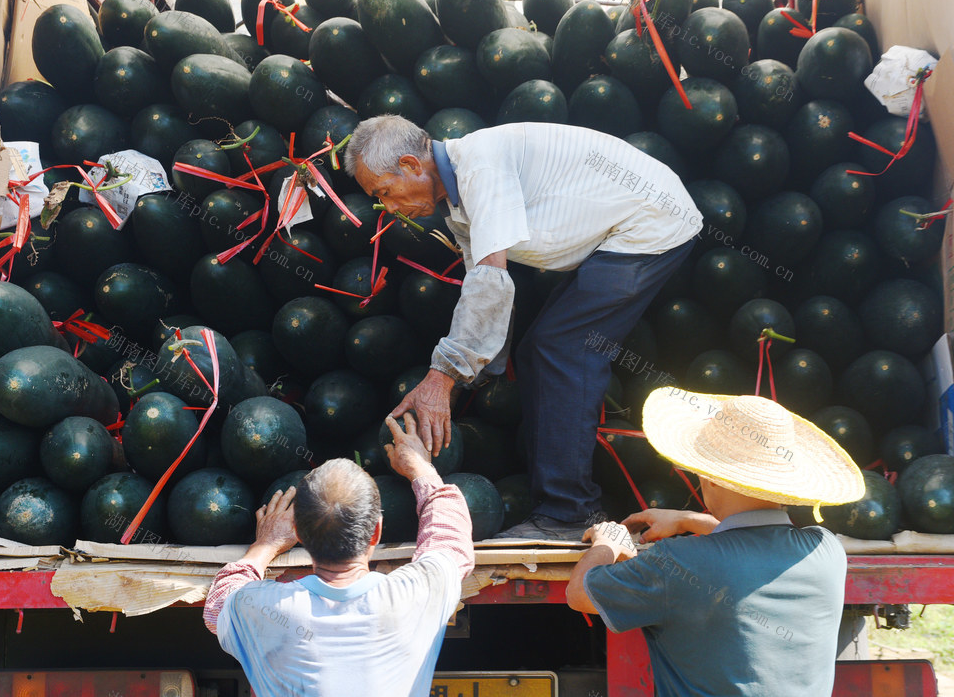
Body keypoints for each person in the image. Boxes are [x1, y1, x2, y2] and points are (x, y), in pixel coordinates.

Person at [344, 116, 702, 540]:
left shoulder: (480, 166)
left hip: (651, 221)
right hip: (619, 230)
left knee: (564, 349)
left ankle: (569, 514)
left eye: (384, 192)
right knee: (539, 349)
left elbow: (490, 280)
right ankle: (562, 507)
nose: (388, 208)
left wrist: (441, 379)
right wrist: (461, 379)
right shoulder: (458, 204)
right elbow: (487, 291)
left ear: (410, 165)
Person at [566, 387, 865, 697]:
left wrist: (607, 542)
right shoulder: (828, 551)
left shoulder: (678, 563)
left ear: (709, 476)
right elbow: (754, 546)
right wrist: (688, 520)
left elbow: (579, 595)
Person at [203, 413, 475, 697]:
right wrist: (421, 468)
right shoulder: (414, 596)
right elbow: (450, 540)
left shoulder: (265, 609)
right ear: (376, 532)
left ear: (298, 533)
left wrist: (266, 545)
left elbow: (217, 607)